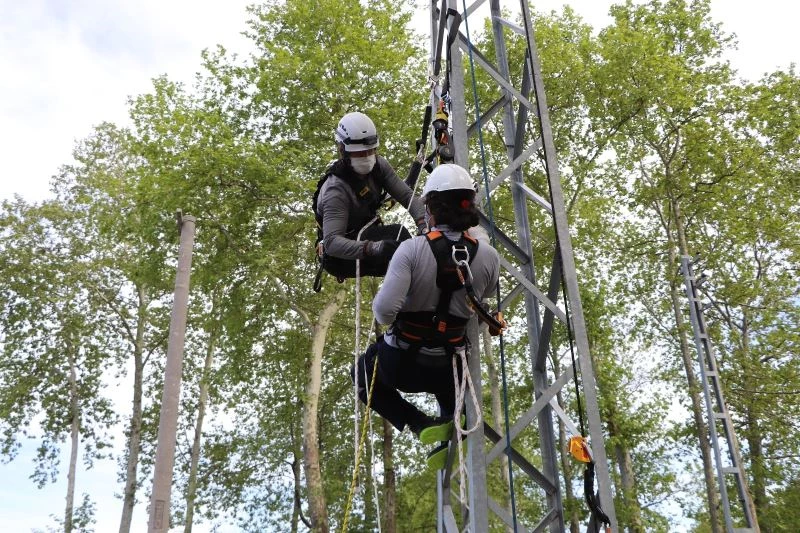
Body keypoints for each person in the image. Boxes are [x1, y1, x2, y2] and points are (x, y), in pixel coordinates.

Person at [351, 164, 502, 469]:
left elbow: (383, 312)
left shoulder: (411, 250)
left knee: (362, 374)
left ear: (430, 207)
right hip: (448, 365)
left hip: (401, 365)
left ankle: (417, 422)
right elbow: (484, 298)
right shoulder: (488, 255)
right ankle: (450, 425)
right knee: (451, 390)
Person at [313, 111, 426, 285]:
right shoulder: (336, 190)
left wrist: (424, 225)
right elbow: (332, 243)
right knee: (399, 240)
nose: (366, 157)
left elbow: (406, 196)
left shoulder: (379, 166)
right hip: (340, 257)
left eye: (370, 151)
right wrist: (373, 248)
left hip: (365, 234)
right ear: (343, 150)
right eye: (359, 153)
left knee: (406, 243)